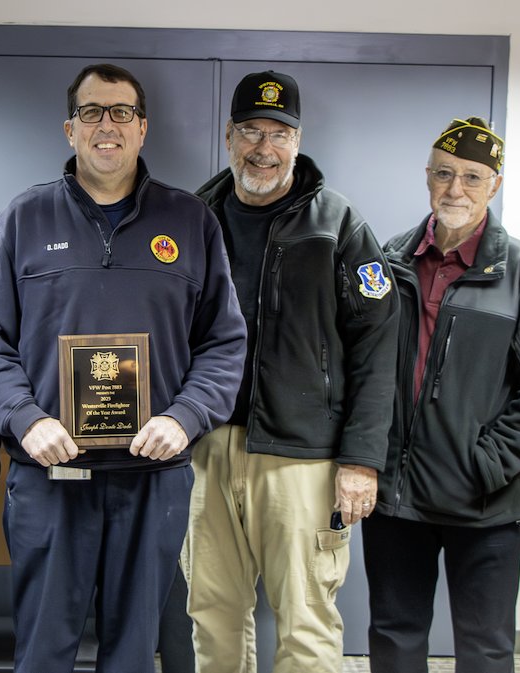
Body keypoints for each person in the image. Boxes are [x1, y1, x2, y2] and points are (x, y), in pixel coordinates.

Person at [0, 62, 247, 673]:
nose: (107, 126)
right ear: (69, 129)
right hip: (50, 477)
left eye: (121, 113)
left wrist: (186, 416)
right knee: (43, 648)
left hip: (153, 476)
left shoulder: (190, 222)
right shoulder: (22, 219)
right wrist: (25, 418)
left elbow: (224, 342)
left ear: (142, 128)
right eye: (92, 112)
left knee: (133, 652)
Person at [172, 71, 399, 673]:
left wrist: (361, 459)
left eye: (279, 132)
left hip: (303, 457)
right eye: (250, 130)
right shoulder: (194, 218)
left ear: (298, 141)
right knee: (212, 609)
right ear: (228, 136)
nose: (263, 147)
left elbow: (378, 349)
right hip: (206, 447)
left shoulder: (338, 225)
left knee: (305, 618)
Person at [363, 117, 520, 673]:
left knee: (483, 647)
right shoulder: (390, 260)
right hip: (397, 495)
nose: (455, 189)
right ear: (427, 177)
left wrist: (492, 460)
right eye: (444, 174)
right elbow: (363, 363)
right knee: (394, 635)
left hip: (484, 501)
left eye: (472, 178)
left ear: (495, 185)